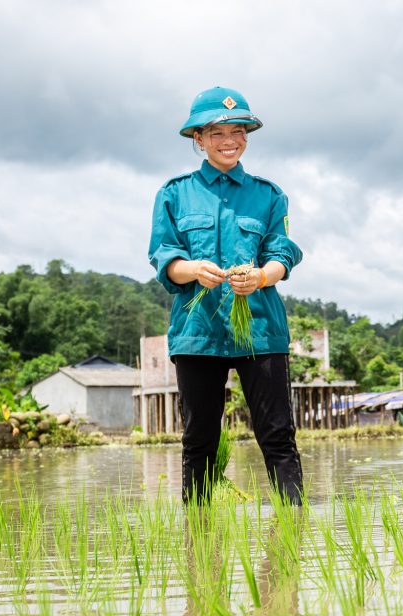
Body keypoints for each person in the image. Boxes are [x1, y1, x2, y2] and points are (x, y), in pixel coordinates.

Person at [149, 86, 304, 504]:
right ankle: (197, 532)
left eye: (238, 131)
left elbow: (282, 255)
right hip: (197, 332)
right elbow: (164, 258)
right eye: (217, 132)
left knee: (277, 434)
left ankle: (295, 527)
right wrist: (193, 270)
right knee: (199, 438)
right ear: (198, 138)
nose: (229, 140)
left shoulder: (268, 195)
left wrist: (261, 277)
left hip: (261, 331)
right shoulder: (174, 193)